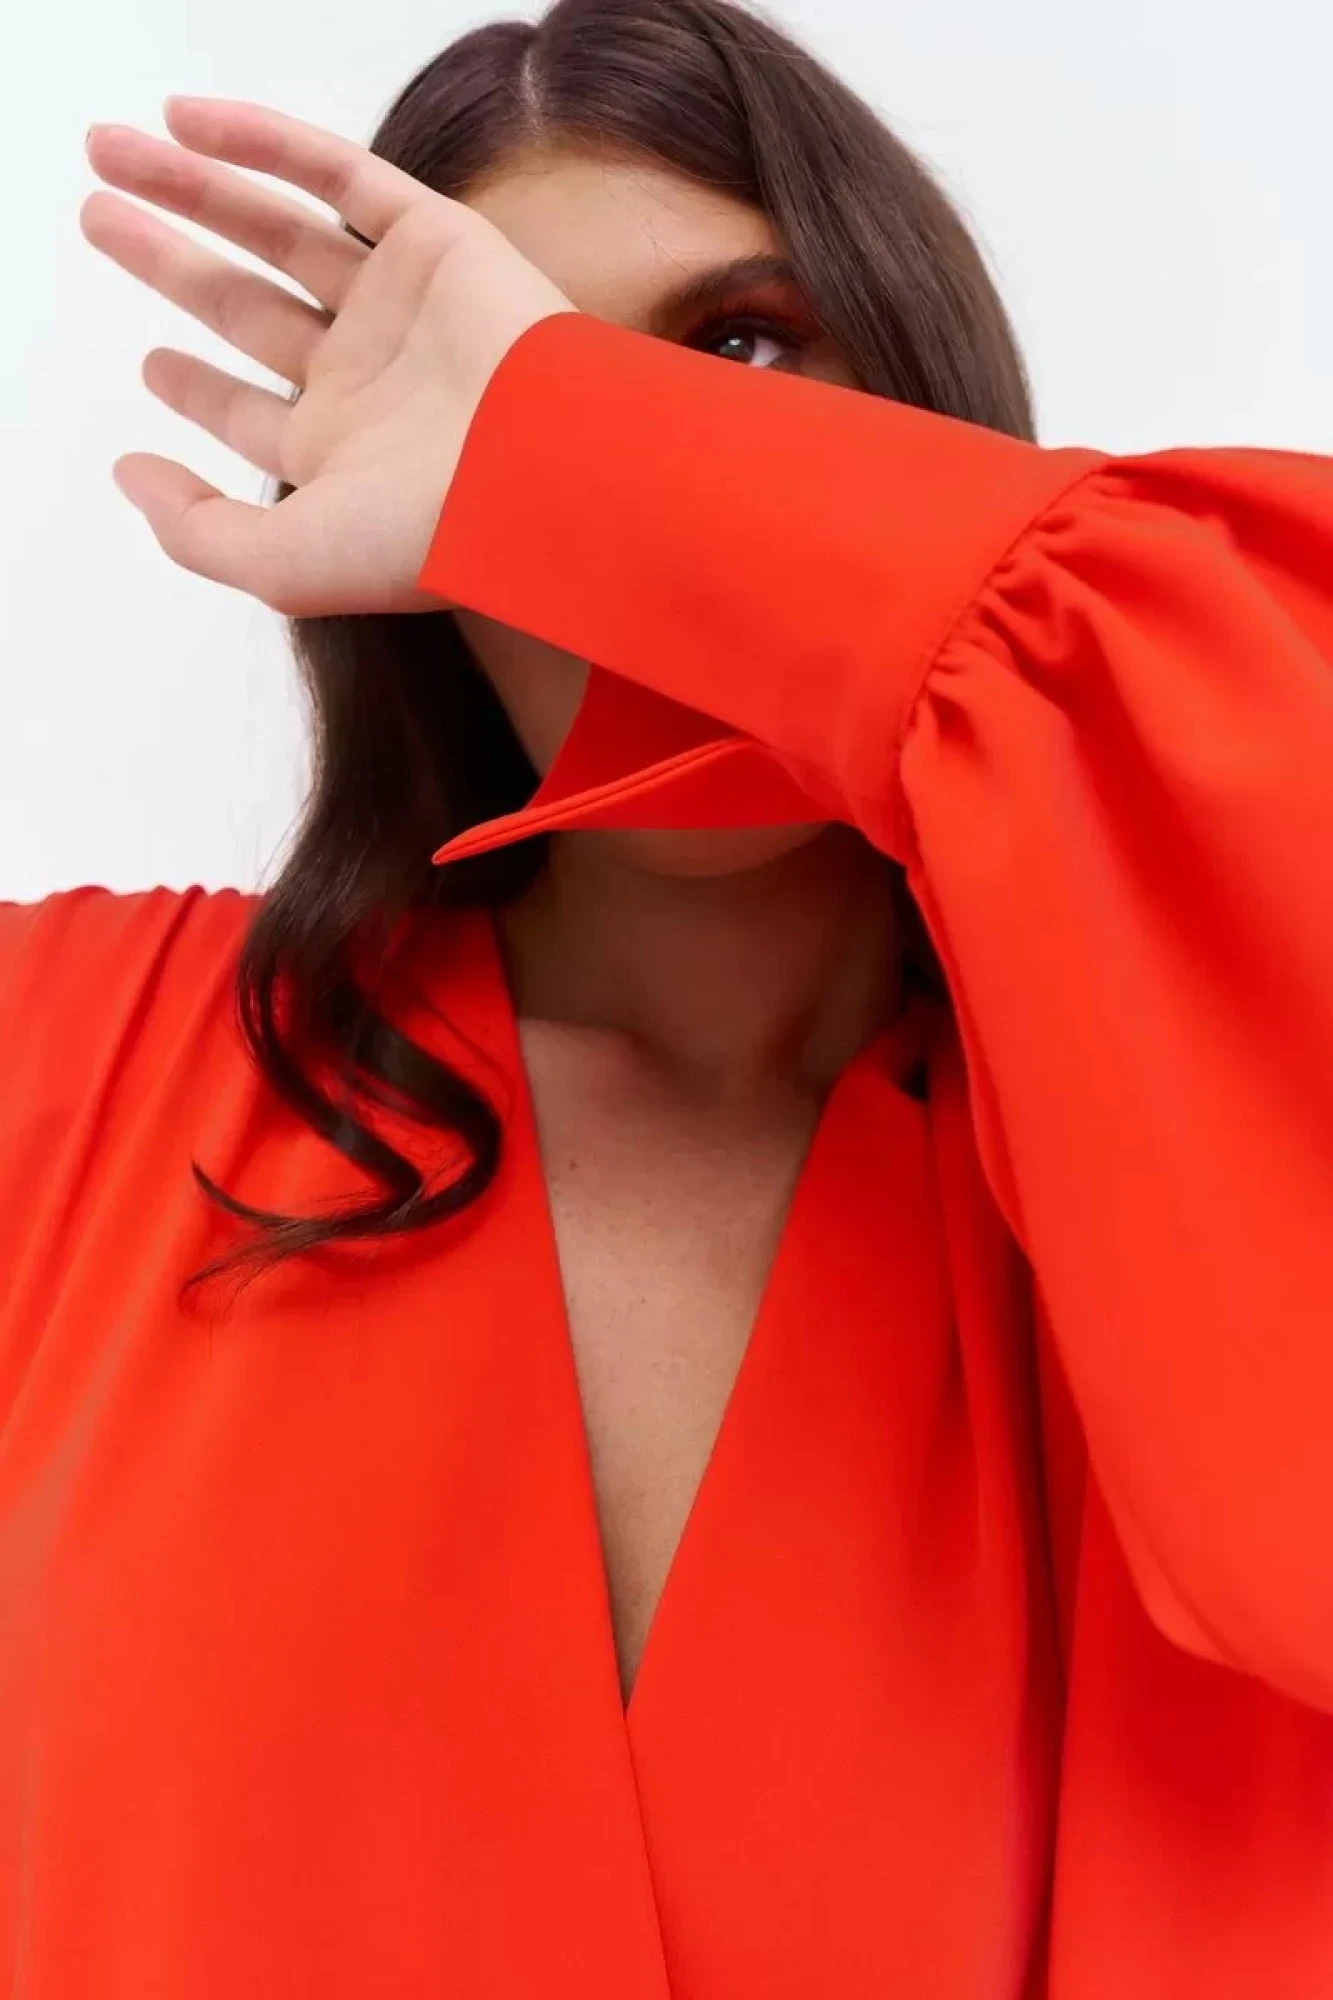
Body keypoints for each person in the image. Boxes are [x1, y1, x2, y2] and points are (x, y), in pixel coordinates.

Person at [2, 0, 1330, 1992]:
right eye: (490, 399)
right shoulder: (54, 1050)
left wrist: (597, 471)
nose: (597, 516)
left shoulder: (1220, 1170)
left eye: (739, 352)